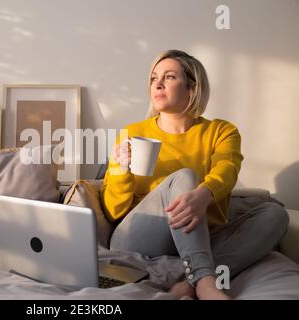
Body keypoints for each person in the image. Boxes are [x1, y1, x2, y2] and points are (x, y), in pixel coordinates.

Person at [100, 49, 289, 300]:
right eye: (154, 77)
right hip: (138, 238)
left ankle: (189, 282)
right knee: (185, 177)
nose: (157, 83)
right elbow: (113, 211)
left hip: (199, 236)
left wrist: (205, 194)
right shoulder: (132, 133)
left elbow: (227, 170)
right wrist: (121, 171)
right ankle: (204, 281)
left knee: (275, 214)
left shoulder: (221, 131)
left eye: (169, 77)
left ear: (192, 87)